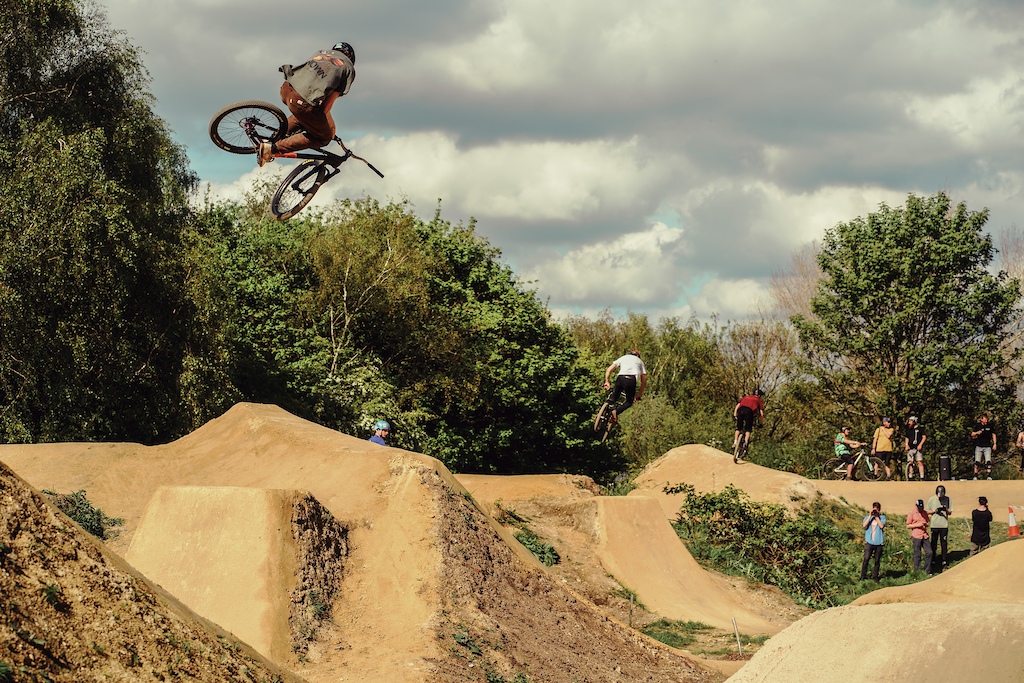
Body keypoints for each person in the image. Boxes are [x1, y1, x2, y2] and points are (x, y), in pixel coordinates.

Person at [257, 42, 357, 166]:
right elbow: (326, 106)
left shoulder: (321, 52)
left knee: (307, 116)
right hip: (301, 102)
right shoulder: (348, 69)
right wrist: (329, 129)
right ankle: (272, 148)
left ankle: (272, 139)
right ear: (351, 57)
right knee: (323, 137)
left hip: (286, 89)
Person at [602, 349, 647, 422]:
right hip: (631, 380)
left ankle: (599, 414)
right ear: (638, 356)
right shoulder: (640, 362)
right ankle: (616, 412)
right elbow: (643, 382)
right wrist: (639, 395)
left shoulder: (623, 357)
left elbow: (609, 369)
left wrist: (607, 381)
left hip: (620, 378)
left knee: (613, 397)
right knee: (629, 401)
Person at [926, 485, 951, 572]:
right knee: (933, 543)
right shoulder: (932, 499)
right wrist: (934, 511)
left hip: (944, 525)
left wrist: (945, 509)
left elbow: (950, 512)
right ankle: (933, 560)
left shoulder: (947, 499)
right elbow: (927, 511)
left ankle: (944, 561)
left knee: (944, 543)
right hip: (934, 525)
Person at [860, 502, 886, 581]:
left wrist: (877, 517)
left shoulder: (882, 517)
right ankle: (863, 576)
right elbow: (864, 525)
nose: (876, 511)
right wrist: (870, 516)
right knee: (866, 559)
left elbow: (881, 526)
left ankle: (875, 576)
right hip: (869, 542)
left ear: (879, 510)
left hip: (879, 542)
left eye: (877, 509)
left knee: (877, 560)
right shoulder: (868, 517)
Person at [906, 499, 933, 574]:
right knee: (917, 554)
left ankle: (927, 570)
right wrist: (917, 525)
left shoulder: (924, 512)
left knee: (929, 552)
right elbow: (908, 525)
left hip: (924, 535)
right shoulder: (912, 513)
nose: (921, 509)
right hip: (916, 535)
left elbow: (927, 521)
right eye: (919, 508)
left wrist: (925, 524)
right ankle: (916, 572)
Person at [970, 413, 996, 480]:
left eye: (987, 419)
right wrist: (977, 433)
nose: (986, 420)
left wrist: (995, 443)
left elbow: (993, 434)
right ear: (982, 419)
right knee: (977, 462)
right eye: (985, 419)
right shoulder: (978, 426)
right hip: (979, 446)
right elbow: (972, 434)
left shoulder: (990, 426)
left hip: (987, 446)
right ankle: (975, 476)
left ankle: (989, 476)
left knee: (988, 462)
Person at [904, 416, 927, 480]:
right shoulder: (909, 430)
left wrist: (920, 445)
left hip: (918, 448)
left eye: (910, 421)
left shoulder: (920, 429)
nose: (909, 423)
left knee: (919, 461)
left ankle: (922, 476)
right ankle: (910, 475)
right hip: (910, 448)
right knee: (910, 462)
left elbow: (924, 437)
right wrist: (906, 445)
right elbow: (907, 438)